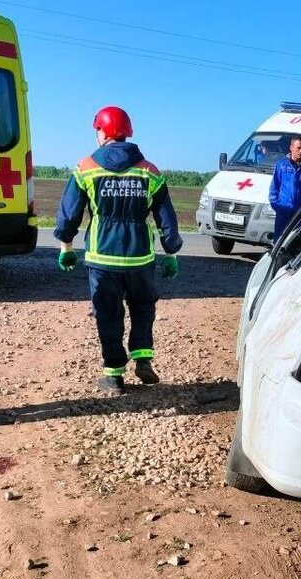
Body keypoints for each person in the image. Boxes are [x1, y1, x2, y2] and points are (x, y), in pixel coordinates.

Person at [54, 105, 182, 394]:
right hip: (140, 257)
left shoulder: (86, 168)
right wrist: (171, 253)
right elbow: (166, 217)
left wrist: (66, 246)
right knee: (142, 307)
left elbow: (68, 213)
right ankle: (143, 357)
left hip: (102, 257)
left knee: (108, 314)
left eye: (97, 129)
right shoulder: (149, 171)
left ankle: (113, 375)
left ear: (104, 130)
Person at [267, 136, 301, 241]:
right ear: (291, 148)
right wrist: (278, 208)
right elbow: (274, 189)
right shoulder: (282, 165)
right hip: (283, 213)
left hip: (299, 215)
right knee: (280, 242)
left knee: (296, 243)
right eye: (299, 148)